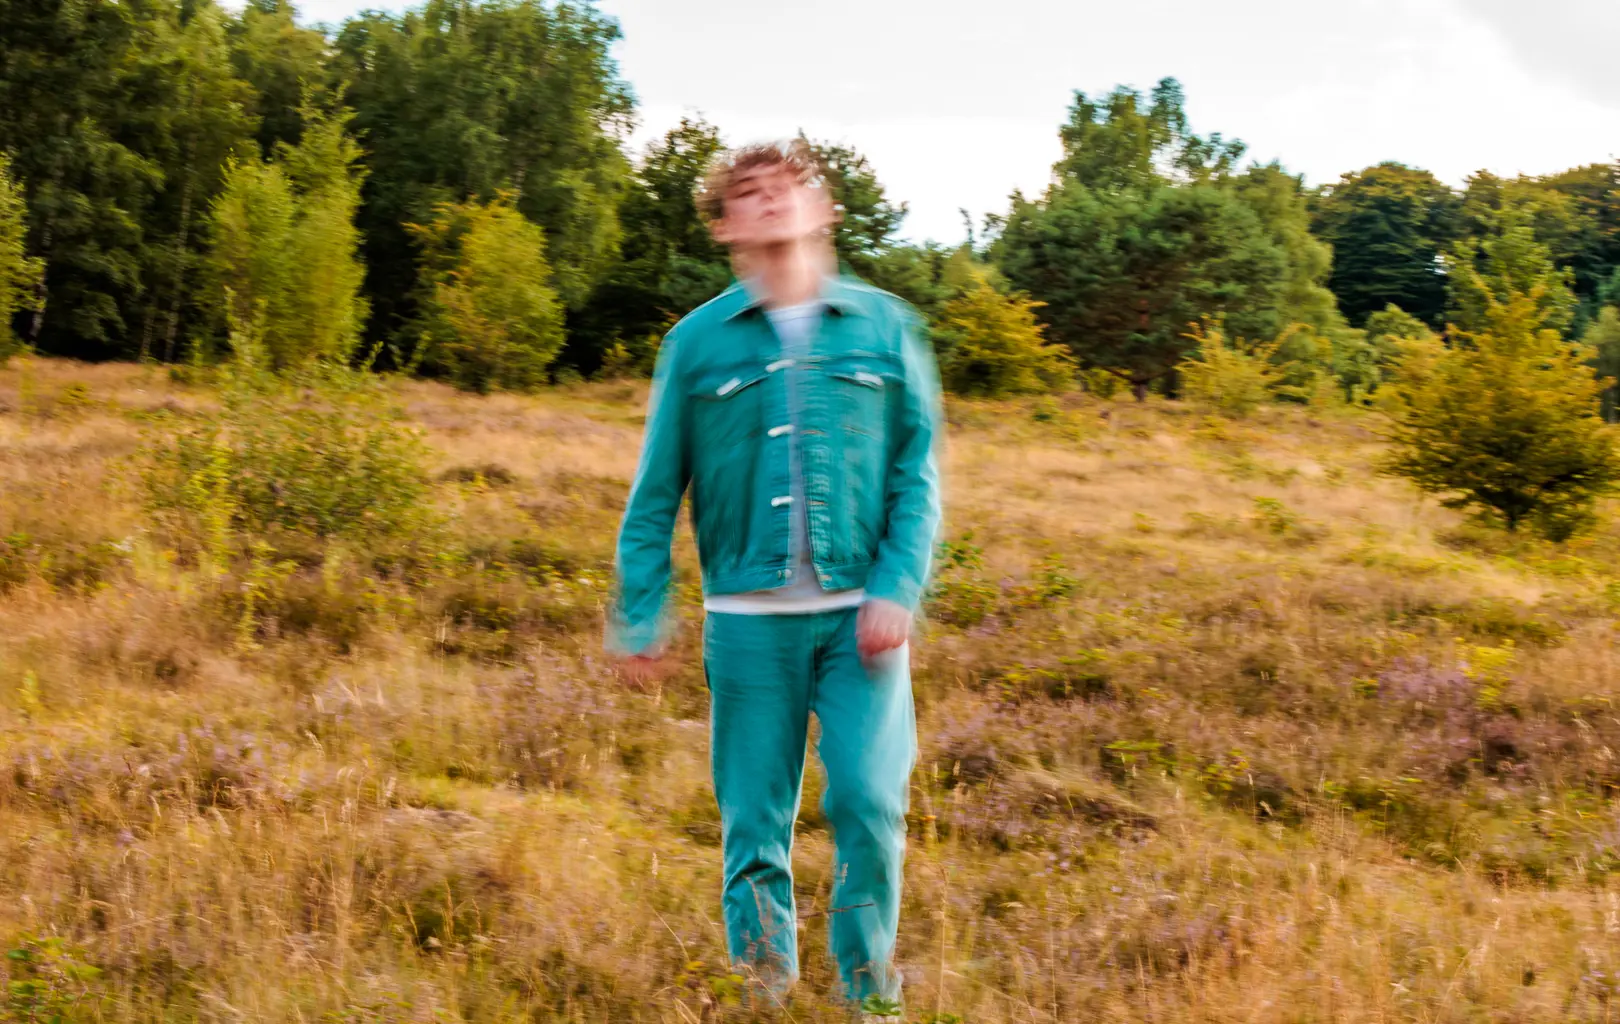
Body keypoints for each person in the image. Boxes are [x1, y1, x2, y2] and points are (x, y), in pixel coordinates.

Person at [606, 138, 943, 1013]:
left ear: (824, 208)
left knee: (869, 805)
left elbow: (917, 476)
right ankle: (763, 992)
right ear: (725, 226)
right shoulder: (696, 343)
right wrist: (641, 615)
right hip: (748, 625)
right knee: (754, 823)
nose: (771, 200)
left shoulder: (886, 328)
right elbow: (654, 492)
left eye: (790, 187)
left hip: (860, 621)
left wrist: (896, 587)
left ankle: (869, 995)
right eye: (748, 193)